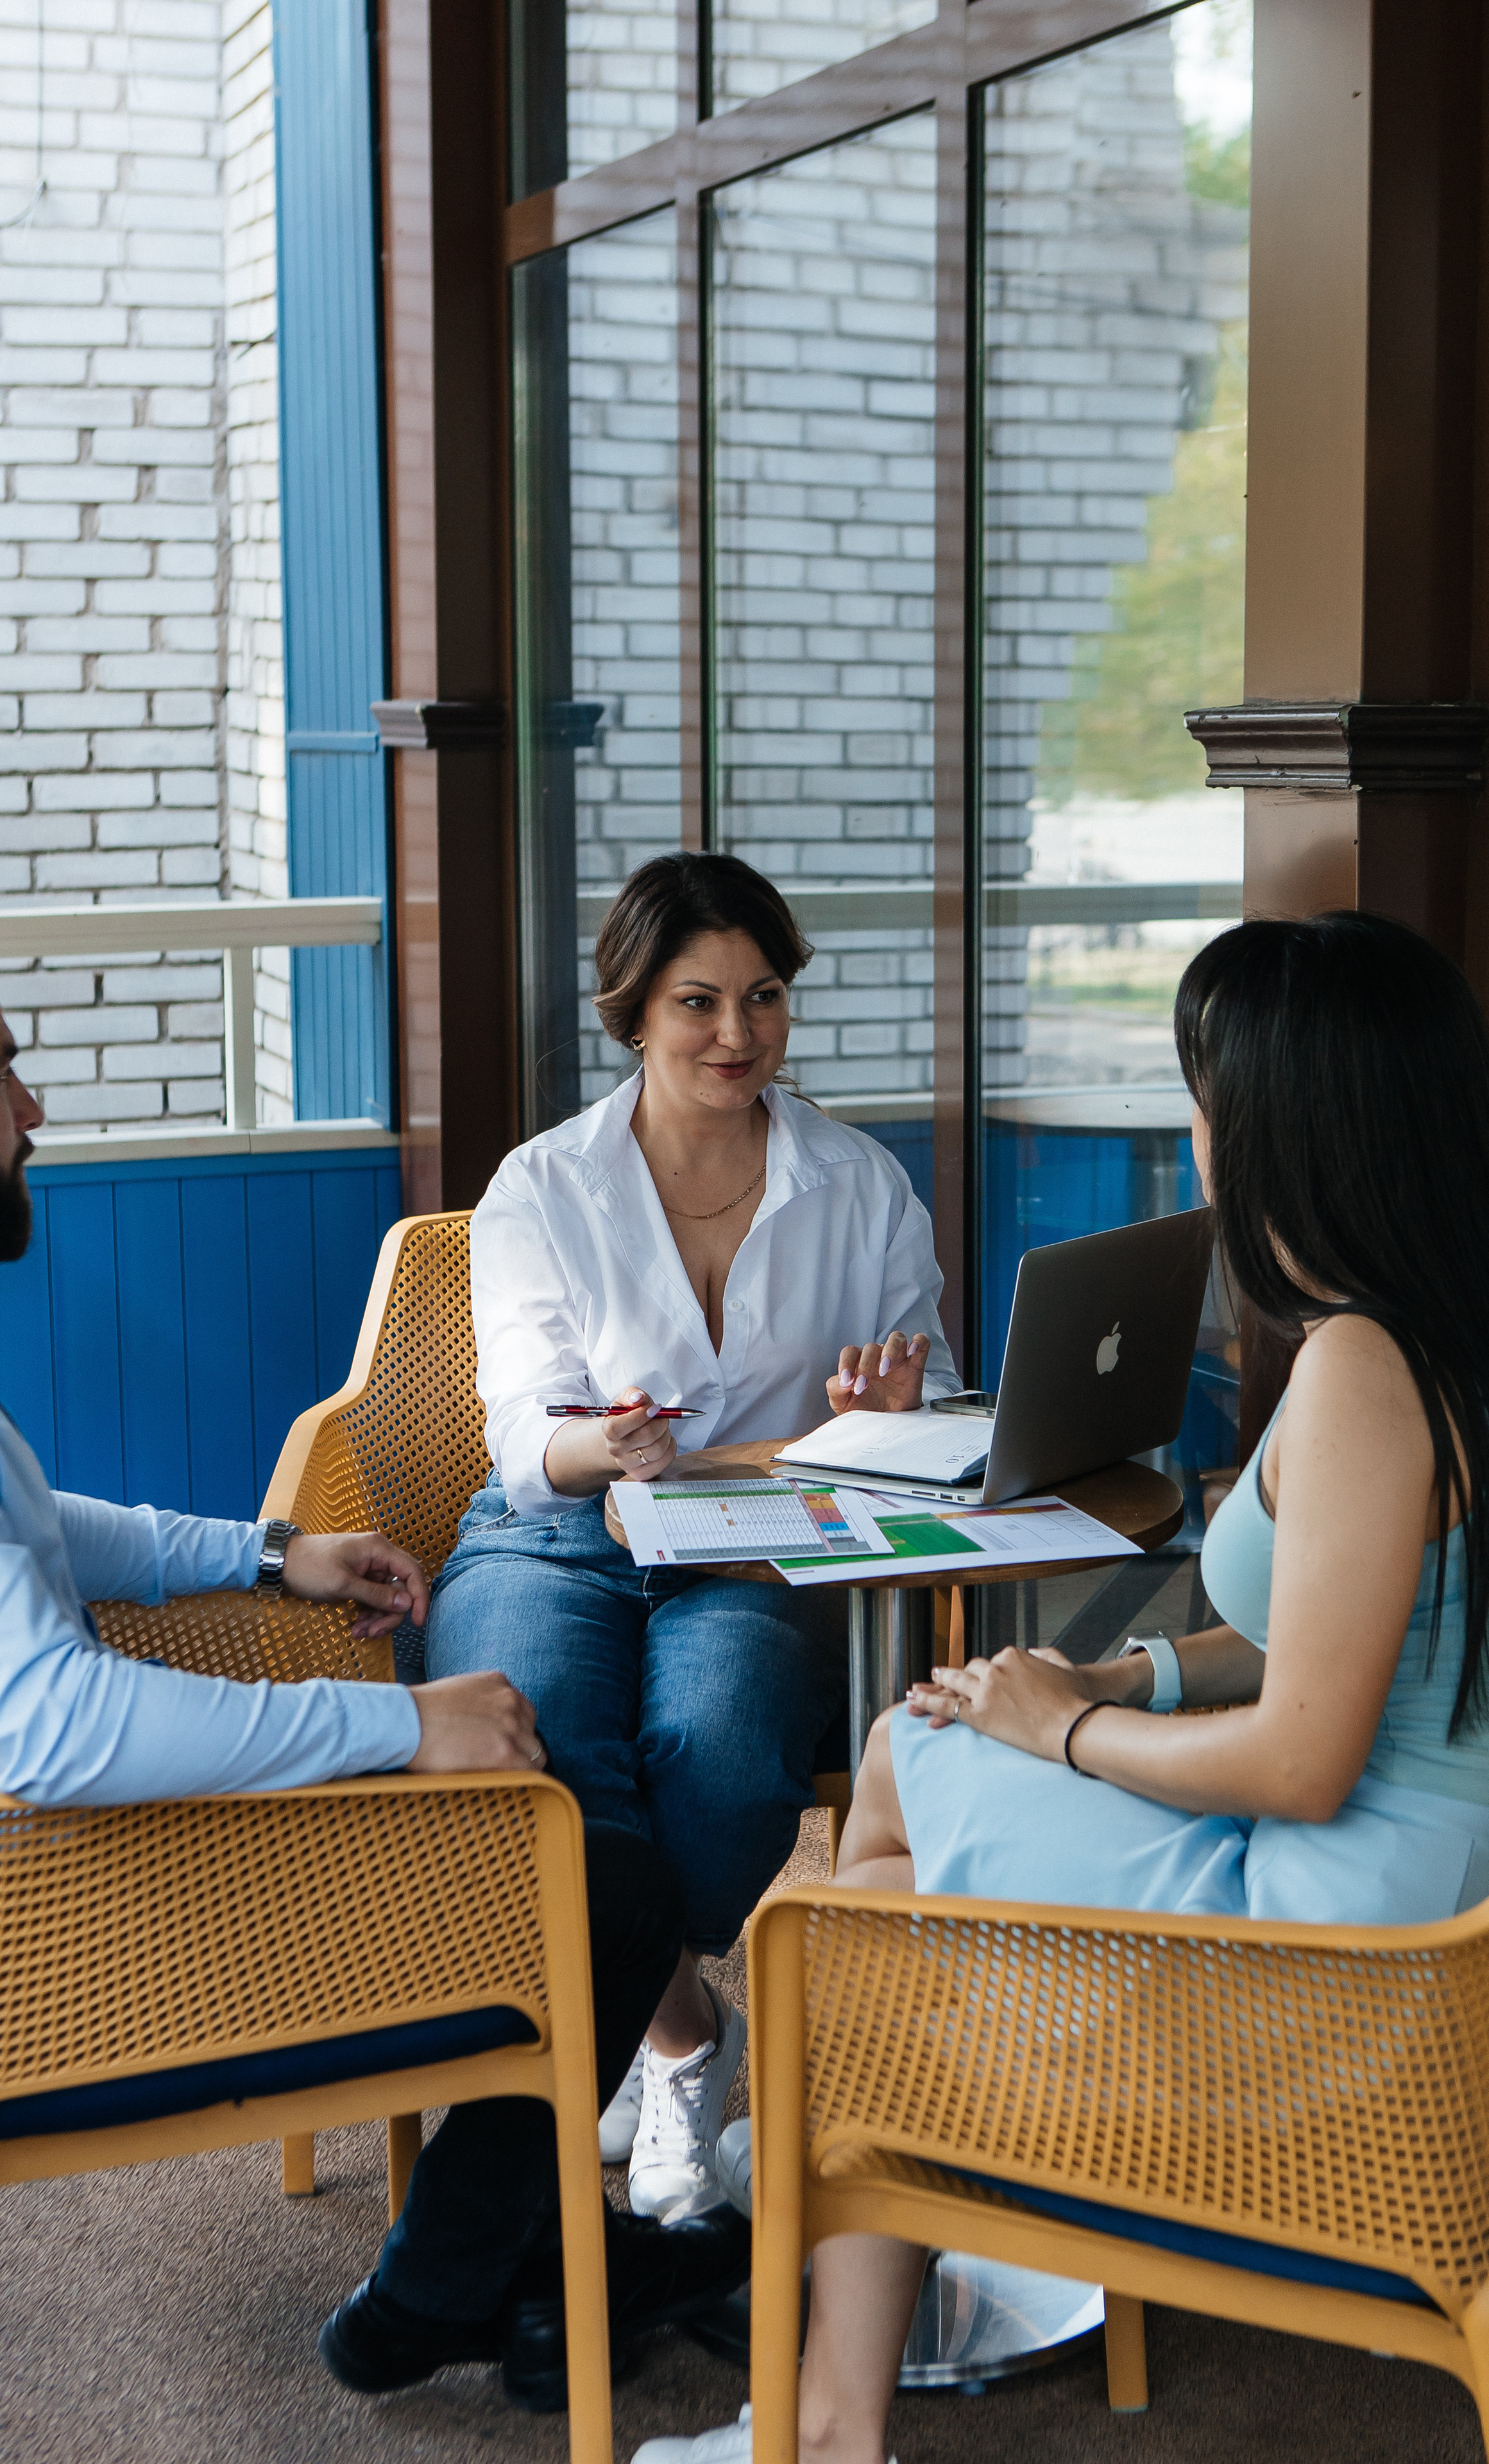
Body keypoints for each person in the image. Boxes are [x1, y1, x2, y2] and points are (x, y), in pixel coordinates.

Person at [0, 908, 745, 2409]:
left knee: (574, 1854)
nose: (34, 1110)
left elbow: (35, 1528)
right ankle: (439, 2288)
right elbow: (58, 1734)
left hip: (42, 1873)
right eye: (6, 1076)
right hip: (84, 1918)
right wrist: (398, 1730)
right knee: (604, 1881)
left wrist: (269, 1552)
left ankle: (525, 2272)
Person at [633, 908, 1489, 2464]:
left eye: (1206, 1096)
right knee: (909, 1786)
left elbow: (1301, 1757)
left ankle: (876, 2302)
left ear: (1292, 1126)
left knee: (860, 1873)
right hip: (1413, 1904)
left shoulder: (1364, 1371)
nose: (1196, 1130)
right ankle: (915, 2182)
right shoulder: (1436, 1339)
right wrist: (1126, 1669)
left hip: (1343, 1970)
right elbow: (1337, 1637)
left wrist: (1070, 1729)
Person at [422, 850, 961, 2218]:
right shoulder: (544, 1187)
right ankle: (674, 2037)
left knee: (719, 1752)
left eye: (764, 997)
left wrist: (893, 1405)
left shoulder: (859, 1184)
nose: (738, 1036)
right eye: (698, 1004)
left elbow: (941, 1405)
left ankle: (605, 2016)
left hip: (758, 1541)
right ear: (634, 1012)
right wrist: (609, 1443)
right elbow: (524, 1446)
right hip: (559, 1531)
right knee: (535, 1741)